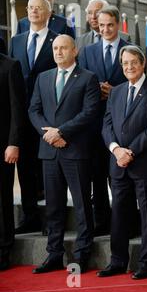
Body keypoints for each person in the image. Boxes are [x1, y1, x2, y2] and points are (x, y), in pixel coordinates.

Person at [28, 35, 101, 274]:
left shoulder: (88, 78)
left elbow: (90, 112)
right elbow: (34, 110)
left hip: (75, 150)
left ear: (75, 50)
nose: (59, 52)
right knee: (53, 206)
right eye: (56, 48)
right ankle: (54, 253)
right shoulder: (44, 77)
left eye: (64, 48)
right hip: (49, 151)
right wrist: (47, 134)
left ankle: (81, 254)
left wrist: (62, 132)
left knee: (81, 205)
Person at [97, 45, 147, 280]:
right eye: (125, 63)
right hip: (117, 164)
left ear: (143, 63)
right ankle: (117, 261)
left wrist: (130, 152)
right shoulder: (116, 92)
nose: (129, 67)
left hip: (144, 164)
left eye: (133, 63)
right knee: (118, 214)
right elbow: (107, 125)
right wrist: (117, 150)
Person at [78, 5, 130, 236]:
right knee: (97, 174)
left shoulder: (130, 49)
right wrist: (94, 90)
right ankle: (101, 221)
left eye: (110, 24)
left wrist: (115, 91)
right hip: (95, 121)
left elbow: (137, 81)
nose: (106, 29)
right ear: (97, 25)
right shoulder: (88, 51)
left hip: (123, 120)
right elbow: (82, 83)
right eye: (102, 25)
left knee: (120, 176)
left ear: (118, 24)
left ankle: (125, 222)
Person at [10, 0, 58, 235]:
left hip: (48, 116)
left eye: (39, 7)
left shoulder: (57, 40)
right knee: (26, 167)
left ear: (48, 12)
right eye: (30, 7)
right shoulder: (16, 41)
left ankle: (52, 219)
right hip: (21, 114)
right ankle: (30, 216)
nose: (33, 11)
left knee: (48, 169)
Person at [0, 54, 27, 271]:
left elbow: (17, 109)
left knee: (2, 199)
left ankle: (3, 250)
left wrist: (13, 143)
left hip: (3, 147)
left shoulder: (10, 65)